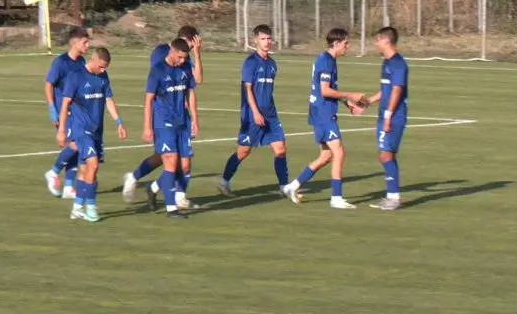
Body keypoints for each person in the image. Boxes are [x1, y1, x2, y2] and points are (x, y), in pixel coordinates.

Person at [283, 28, 366, 209]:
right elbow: (325, 90)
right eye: (345, 43)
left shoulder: (327, 60)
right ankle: (336, 198)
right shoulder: (327, 61)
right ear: (336, 44)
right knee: (339, 153)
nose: (348, 46)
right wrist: (350, 95)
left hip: (320, 112)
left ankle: (292, 186)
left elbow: (328, 90)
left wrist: (346, 102)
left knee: (326, 155)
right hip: (323, 114)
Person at [124, 26, 204, 205]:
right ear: (184, 40)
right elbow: (158, 81)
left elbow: (196, 80)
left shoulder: (185, 57)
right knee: (166, 158)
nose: (191, 50)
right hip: (162, 116)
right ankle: (135, 177)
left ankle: (173, 195)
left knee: (179, 162)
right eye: (192, 45)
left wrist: (197, 55)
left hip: (180, 116)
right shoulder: (161, 52)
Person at [56, 47, 127, 223]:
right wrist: (62, 130)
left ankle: (77, 208)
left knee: (86, 171)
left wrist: (118, 122)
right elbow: (65, 105)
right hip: (81, 130)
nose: (103, 70)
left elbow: (108, 99)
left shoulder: (103, 77)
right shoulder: (76, 77)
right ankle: (91, 208)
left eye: (106, 68)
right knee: (93, 165)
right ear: (93, 60)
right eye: (101, 67)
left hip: (97, 131)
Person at [216, 24, 289, 198]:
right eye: (263, 39)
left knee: (280, 149)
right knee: (244, 151)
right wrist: (255, 112)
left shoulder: (272, 64)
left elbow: (268, 91)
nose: (267, 42)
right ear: (256, 40)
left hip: (270, 114)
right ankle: (224, 182)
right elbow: (247, 89)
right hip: (252, 115)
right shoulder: (250, 63)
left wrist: (269, 112)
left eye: (269, 38)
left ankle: (284, 187)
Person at [142, 38, 199, 216]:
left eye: (185, 58)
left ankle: (153, 187)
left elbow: (190, 93)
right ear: (171, 52)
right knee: (171, 162)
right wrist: (147, 127)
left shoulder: (185, 67)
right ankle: (171, 208)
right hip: (163, 122)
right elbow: (148, 99)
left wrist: (195, 119)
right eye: (180, 57)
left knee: (185, 165)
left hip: (183, 121)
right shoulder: (158, 70)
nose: (182, 60)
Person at [361, 26, 408, 211]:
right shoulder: (386, 62)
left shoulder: (398, 64)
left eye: (377, 40)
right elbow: (385, 90)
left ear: (387, 41)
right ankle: (391, 195)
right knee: (386, 155)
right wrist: (368, 102)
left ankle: (394, 198)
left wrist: (388, 116)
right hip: (384, 116)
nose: (375, 43)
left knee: (385, 154)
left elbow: (397, 91)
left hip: (394, 116)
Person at [44, 27, 90, 200]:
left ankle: (69, 187)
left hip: (78, 111)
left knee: (78, 147)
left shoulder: (82, 61)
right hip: (64, 111)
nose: (87, 45)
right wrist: (52, 109)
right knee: (76, 145)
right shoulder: (60, 62)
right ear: (75, 43)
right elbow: (48, 85)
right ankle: (53, 172)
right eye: (85, 42)